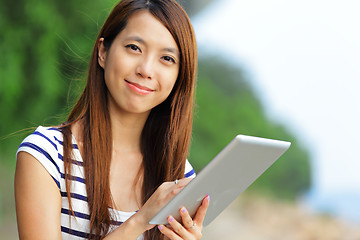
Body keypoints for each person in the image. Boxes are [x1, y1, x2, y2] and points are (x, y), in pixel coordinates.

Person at [14, 0, 210, 239]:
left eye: (167, 59)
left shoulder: (179, 176)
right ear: (103, 52)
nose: (146, 69)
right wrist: (139, 221)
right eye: (134, 48)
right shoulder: (46, 155)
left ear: (180, 76)